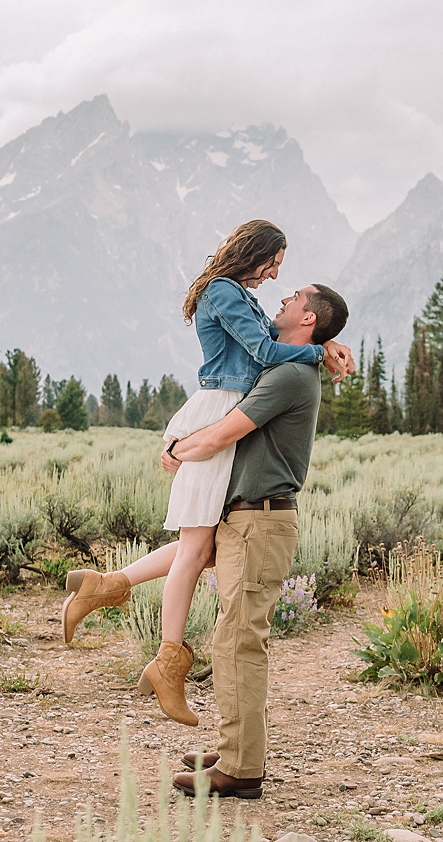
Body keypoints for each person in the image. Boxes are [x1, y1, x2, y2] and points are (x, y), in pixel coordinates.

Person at [59, 221, 353, 727]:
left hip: (225, 410)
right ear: (254, 253)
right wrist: (316, 353)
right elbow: (265, 353)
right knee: (198, 548)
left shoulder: (238, 293)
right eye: (273, 263)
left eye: (283, 271)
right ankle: (168, 659)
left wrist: (323, 345)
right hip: (218, 410)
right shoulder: (223, 290)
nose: (276, 276)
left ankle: (105, 585)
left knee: (208, 544)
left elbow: (274, 342)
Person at [166, 282, 348, 800]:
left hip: (260, 522)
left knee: (239, 643)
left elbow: (225, 431)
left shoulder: (290, 374)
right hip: (247, 520)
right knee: (234, 639)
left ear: (308, 319)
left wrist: (179, 449)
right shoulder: (289, 363)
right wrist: (324, 346)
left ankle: (241, 770)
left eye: (294, 298)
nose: (283, 299)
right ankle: (233, 750)